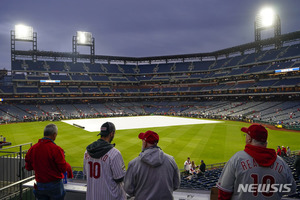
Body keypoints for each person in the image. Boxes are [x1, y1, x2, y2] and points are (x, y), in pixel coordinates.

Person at [217, 124, 296, 199]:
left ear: (249, 139)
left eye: (246, 135)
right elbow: (292, 190)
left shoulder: (237, 159)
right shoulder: (281, 162)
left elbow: (224, 192)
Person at [124, 130, 180, 200]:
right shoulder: (171, 160)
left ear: (144, 142)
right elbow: (176, 185)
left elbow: (128, 190)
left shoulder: (134, 163)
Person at [25, 124, 73, 200]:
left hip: (39, 184)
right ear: (54, 135)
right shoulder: (56, 149)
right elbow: (63, 168)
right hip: (55, 185)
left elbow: (28, 167)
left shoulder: (32, 148)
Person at [83, 122, 126, 200]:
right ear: (111, 134)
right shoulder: (114, 153)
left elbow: (86, 174)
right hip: (109, 197)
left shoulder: (87, 152)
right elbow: (120, 178)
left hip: (91, 197)